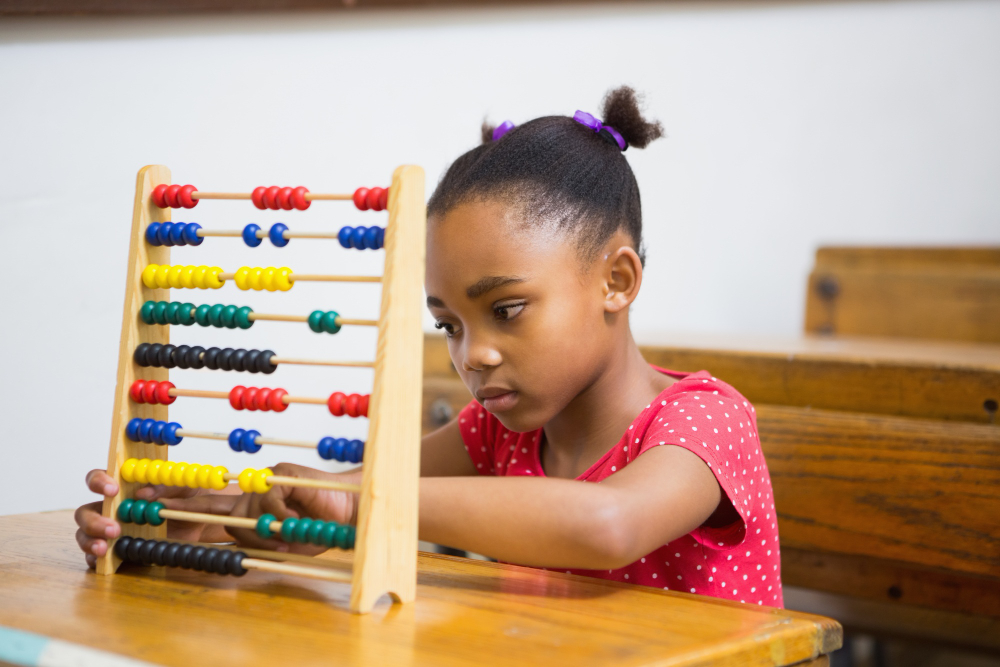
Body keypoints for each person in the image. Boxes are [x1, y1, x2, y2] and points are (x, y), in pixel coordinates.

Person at [75, 86, 782, 607]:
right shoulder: (496, 434)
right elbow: (360, 497)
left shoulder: (704, 421)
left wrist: (359, 501)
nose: (473, 353)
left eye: (507, 309)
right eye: (449, 323)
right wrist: (213, 518)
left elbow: (605, 523)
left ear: (617, 281)